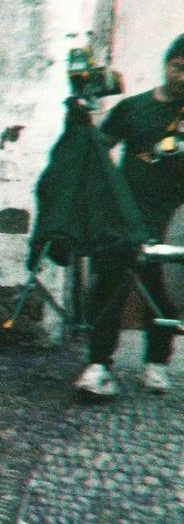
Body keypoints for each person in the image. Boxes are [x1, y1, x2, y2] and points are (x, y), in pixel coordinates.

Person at [74, 33, 184, 397]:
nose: (182, 77)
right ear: (166, 65)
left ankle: (156, 363)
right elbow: (100, 147)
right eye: (178, 67)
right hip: (123, 212)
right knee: (109, 283)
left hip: (170, 215)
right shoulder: (133, 108)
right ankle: (99, 364)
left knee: (162, 288)